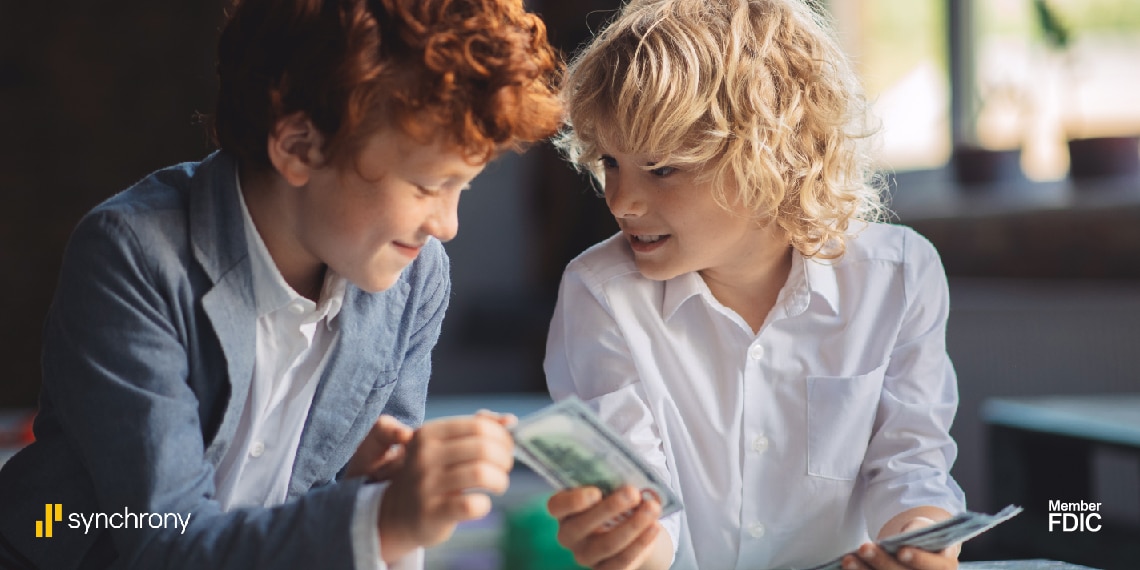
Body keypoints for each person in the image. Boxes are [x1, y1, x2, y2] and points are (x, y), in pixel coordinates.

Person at [0, 0, 561, 568]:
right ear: (299, 147)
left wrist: (386, 487)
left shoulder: (415, 275)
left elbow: (361, 518)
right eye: (425, 185)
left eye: (461, 187)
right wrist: (382, 518)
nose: (447, 224)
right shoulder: (135, 256)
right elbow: (164, 540)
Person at [542, 0, 966, 569]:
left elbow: (912, 464)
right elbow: (639, 500)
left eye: (661, 168)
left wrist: (922, 543)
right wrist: (629, 546)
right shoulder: (600, 292)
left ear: (771, 156)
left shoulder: (899, 275)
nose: (621, 201)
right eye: (611, 163)